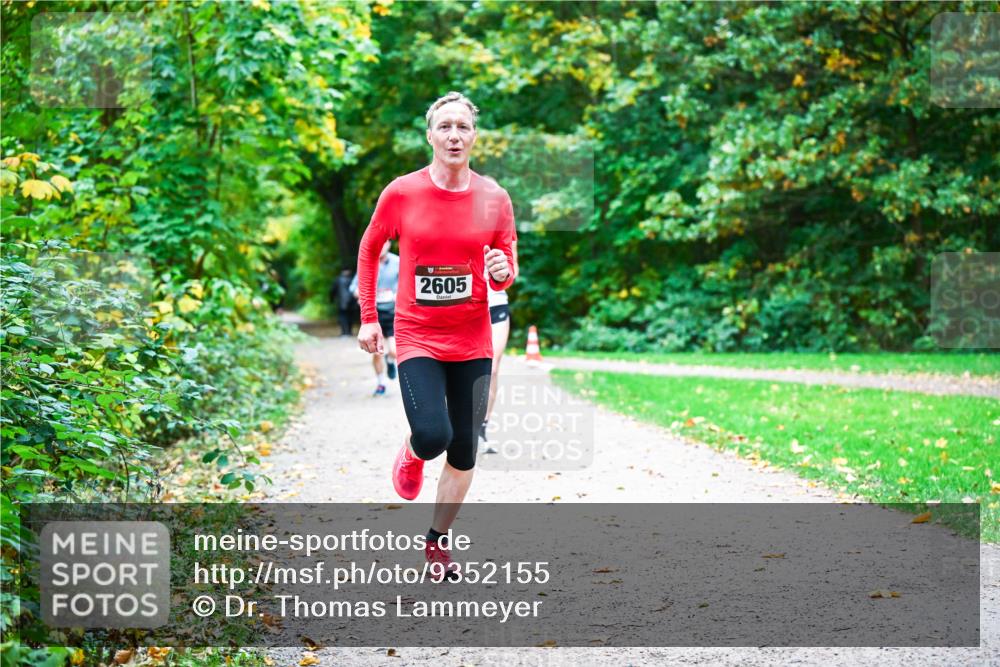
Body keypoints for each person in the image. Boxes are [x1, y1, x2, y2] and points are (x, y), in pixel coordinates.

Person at [355, 91, 516, 579]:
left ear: (474, 136)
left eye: (462, 127)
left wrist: (501, 269)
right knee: (433, 434)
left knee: (465, 447)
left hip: (472, 338)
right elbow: (369, 250)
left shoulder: (494, 198)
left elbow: (506, 269)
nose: (453, 134)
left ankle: (437, 542)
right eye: (444, 126)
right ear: (430, 135)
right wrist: (368, 316)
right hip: (419, 334)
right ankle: (412, 452)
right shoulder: (402, 192)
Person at [478, 248, 516, 455]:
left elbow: (512, 270)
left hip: (496, 304)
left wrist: (501, 270)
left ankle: (481, 429)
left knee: (490, 368)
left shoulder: (501, 227)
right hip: (465, 307)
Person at [351, 240, 399, 396]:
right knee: (377, 352)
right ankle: (381, 383)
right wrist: (361, 294)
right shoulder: (367, 261)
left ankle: (391, 362)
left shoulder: (397, 262)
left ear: (389, 245)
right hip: (374, 314)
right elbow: (354, 287)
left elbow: (408, 283)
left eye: (384, 243)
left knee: (393, 351)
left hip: (393, 312)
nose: (381, 246)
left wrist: (398, 294)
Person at [332, 269, 355, 337]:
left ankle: (344, 332)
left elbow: (333, 290)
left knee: (343, 317)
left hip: (342, 303)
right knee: (350, 317)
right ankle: (349, 332)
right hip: (352, 302)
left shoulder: (338, 280)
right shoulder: (352, 279)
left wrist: (332, 299)